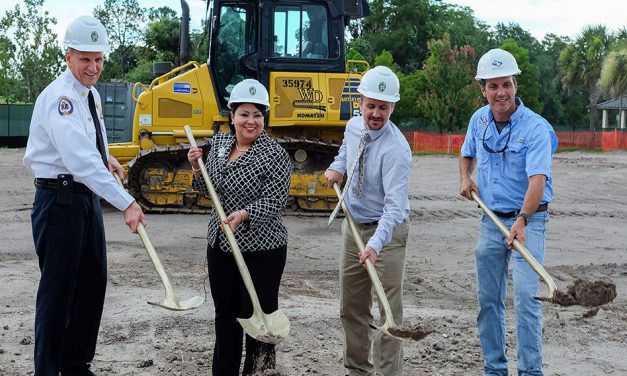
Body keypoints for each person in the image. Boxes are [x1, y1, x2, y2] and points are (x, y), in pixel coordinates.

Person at [23, 15, 145, 376]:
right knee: (58, 292)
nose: (93, 67)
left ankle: (75, 364)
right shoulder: (62, 98)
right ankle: (48, 370)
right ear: (68, 57)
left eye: (99, 59)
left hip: (84, 199)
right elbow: (77, 159)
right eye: (85, 59)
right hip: (59, 202)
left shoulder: (88, 94)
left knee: (92, 283)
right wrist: (127, 201)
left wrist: (105, 157)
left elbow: (85, 146)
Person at [459, 48, 558, 376]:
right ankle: (494, 369)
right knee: (489, 300)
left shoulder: (536, 129)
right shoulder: (478, 120)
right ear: (483, 89)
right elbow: (466, 153)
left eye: (507, 84)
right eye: (493, 86)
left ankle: (530, 371)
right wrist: (465, 177)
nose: (501, 92)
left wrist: (523, 220)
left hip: (530, 219)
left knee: (528, 299)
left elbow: (538, 181)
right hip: (491, 219)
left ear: (515, 86)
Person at [186, 79, 292, 375]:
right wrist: (197, 167)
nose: (251, 121)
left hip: (262, 249)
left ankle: (259, 372)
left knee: (258, 317)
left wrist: (245, 214)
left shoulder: (274, 154)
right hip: (220, 246)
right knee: (226, 316)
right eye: (244, 114)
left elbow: (276, 200)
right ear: (232, 116)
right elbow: (207, 191)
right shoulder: (219, 144)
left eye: (257, 115)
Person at [324, 66, 412, 376]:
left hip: (387, 233)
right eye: (371, 105)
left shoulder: (397, 151)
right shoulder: (352, 126)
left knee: (389, 312)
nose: (376, 113)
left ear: (393, 107)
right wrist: (336, 168)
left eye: (383, 107)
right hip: (353, 226)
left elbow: (394, 207)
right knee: (351, 307)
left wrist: (375, 245)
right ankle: (357, 370)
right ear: (360, 102)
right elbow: (347, 151)